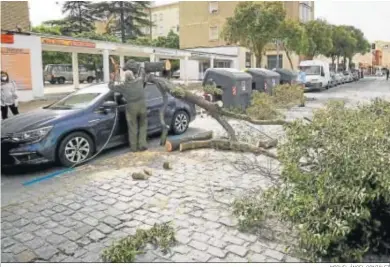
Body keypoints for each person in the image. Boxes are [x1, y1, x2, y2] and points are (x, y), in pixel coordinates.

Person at [108, 59, 148, 152]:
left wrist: (113, 77)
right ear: (133, 76)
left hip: (131, 108)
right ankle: (142, 145)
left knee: (133, 127)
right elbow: (142, 73)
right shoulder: (139, 81)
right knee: (143, 126)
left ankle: (134, 148)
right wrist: (139, 66)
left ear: (125, 78)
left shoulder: (123, 86)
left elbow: (111, 86)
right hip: (142, 106)